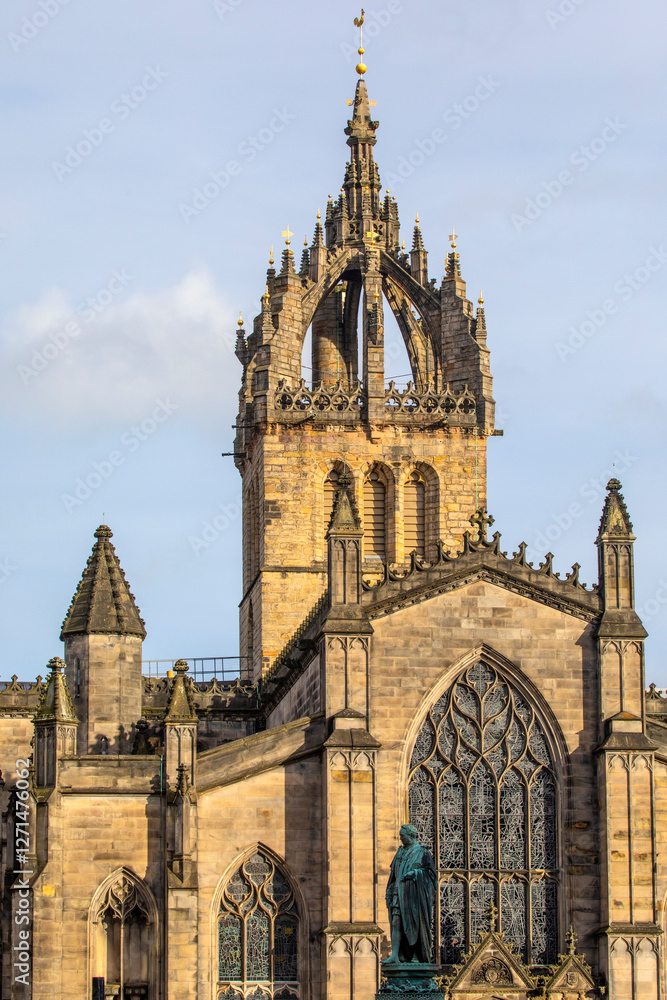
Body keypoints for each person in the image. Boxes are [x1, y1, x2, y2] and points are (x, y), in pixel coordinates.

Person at [384, 824, 437, 964]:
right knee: (396, 922)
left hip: (412, 895)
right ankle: (395, 954)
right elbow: (393, 874)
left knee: (413, 924)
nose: (400, 838)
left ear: (411, 836)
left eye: (403, 836)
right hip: (397, 892)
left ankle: (414, 954)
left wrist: (415, 873)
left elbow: (431, 874)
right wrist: (389, 890)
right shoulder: (400, 852)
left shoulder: (422, 852)